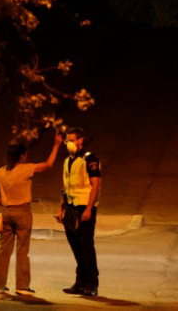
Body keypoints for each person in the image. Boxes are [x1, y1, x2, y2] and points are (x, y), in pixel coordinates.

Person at [0, 130, 63, 295]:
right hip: (23, 212)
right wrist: (56, 145)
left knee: (4, 250)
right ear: (21, 156)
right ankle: (22, 286)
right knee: (22, 250)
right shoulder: (26, 168)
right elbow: (48, 164)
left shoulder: (2, 170)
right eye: (25, 154)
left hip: (7, 212)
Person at [57, 127, 101, 297]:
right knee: (76, 247)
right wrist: (61, 207)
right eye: (67, 140)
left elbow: (96, 184)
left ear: (80, 140)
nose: (69, 143)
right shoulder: (67, 160)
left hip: (84, 207)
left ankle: (92, 283)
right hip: (70, 207)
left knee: (86, 247)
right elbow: (66, 186)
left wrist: (89, 208)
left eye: (72, 140)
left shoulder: (89, 159)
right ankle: (80, 281)